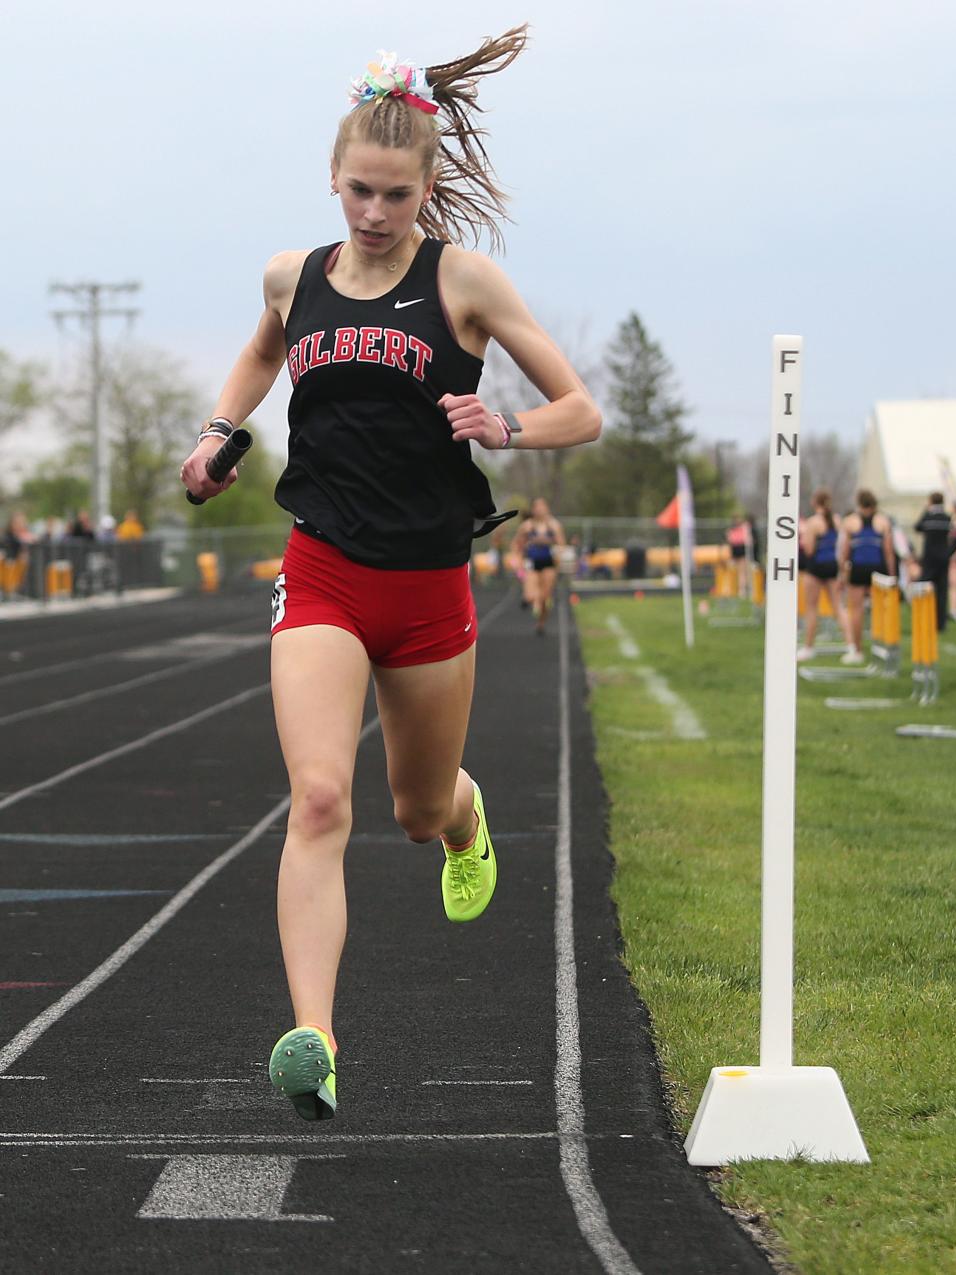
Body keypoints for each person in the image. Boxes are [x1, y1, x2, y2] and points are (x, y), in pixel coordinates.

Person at [178, 29, 601, 1123]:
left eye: (397, 196)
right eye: (359, 192)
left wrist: (505, 427)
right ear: (334, 180)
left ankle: (465, 818)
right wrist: (224, 432)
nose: (375, 214)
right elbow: (266, 348)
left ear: (426, 187)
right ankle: (314, 1038)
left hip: (428, 588)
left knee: (414, 809)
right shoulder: (293, 275)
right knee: (319, 796)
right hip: (321, 568)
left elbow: (582, 408)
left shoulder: (462, 281)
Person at [838, 490, 895, 664]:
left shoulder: (849, 522)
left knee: (856, 610)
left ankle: (857, 650)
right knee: (883, 609)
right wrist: (892, 576)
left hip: (858, 569)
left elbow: (844, 553)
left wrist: (842, 575)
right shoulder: (883, 521)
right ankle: (885, 647)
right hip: (878, 569)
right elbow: (888, 552)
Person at [797, 487, 851, 661]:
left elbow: (809, 549)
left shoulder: (812, 523)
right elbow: (842, 547)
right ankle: (851, 645)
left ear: (815, 503)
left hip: (815, 568)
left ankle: (808, 647)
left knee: (811, 608)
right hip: (832, 568)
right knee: (838, 607)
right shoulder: (837, 520)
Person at [511, 497, 566, 634]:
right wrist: (517, 559)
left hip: (549, 563)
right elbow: (516, 544)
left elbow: (561, 544)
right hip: (532, 562)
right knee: (530, 596)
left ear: (547, 508)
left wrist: (551, 545)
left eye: (542, 506)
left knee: (545, 597)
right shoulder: (527, 526)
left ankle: (541, 623)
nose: (540, 509)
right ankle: (532, 601)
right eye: (537, 507)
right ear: (533, 509)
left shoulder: (554, 525)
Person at [914, 492, 956, 631]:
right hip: (943, 559)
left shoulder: (928, 517)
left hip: (929, 559)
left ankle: (922, 619)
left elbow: (917, 527)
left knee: (923, 587)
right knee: (942, 590)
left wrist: (926, 510)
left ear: (931, 501)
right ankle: (941, 624)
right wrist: (948, 553)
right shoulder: (947, 519)